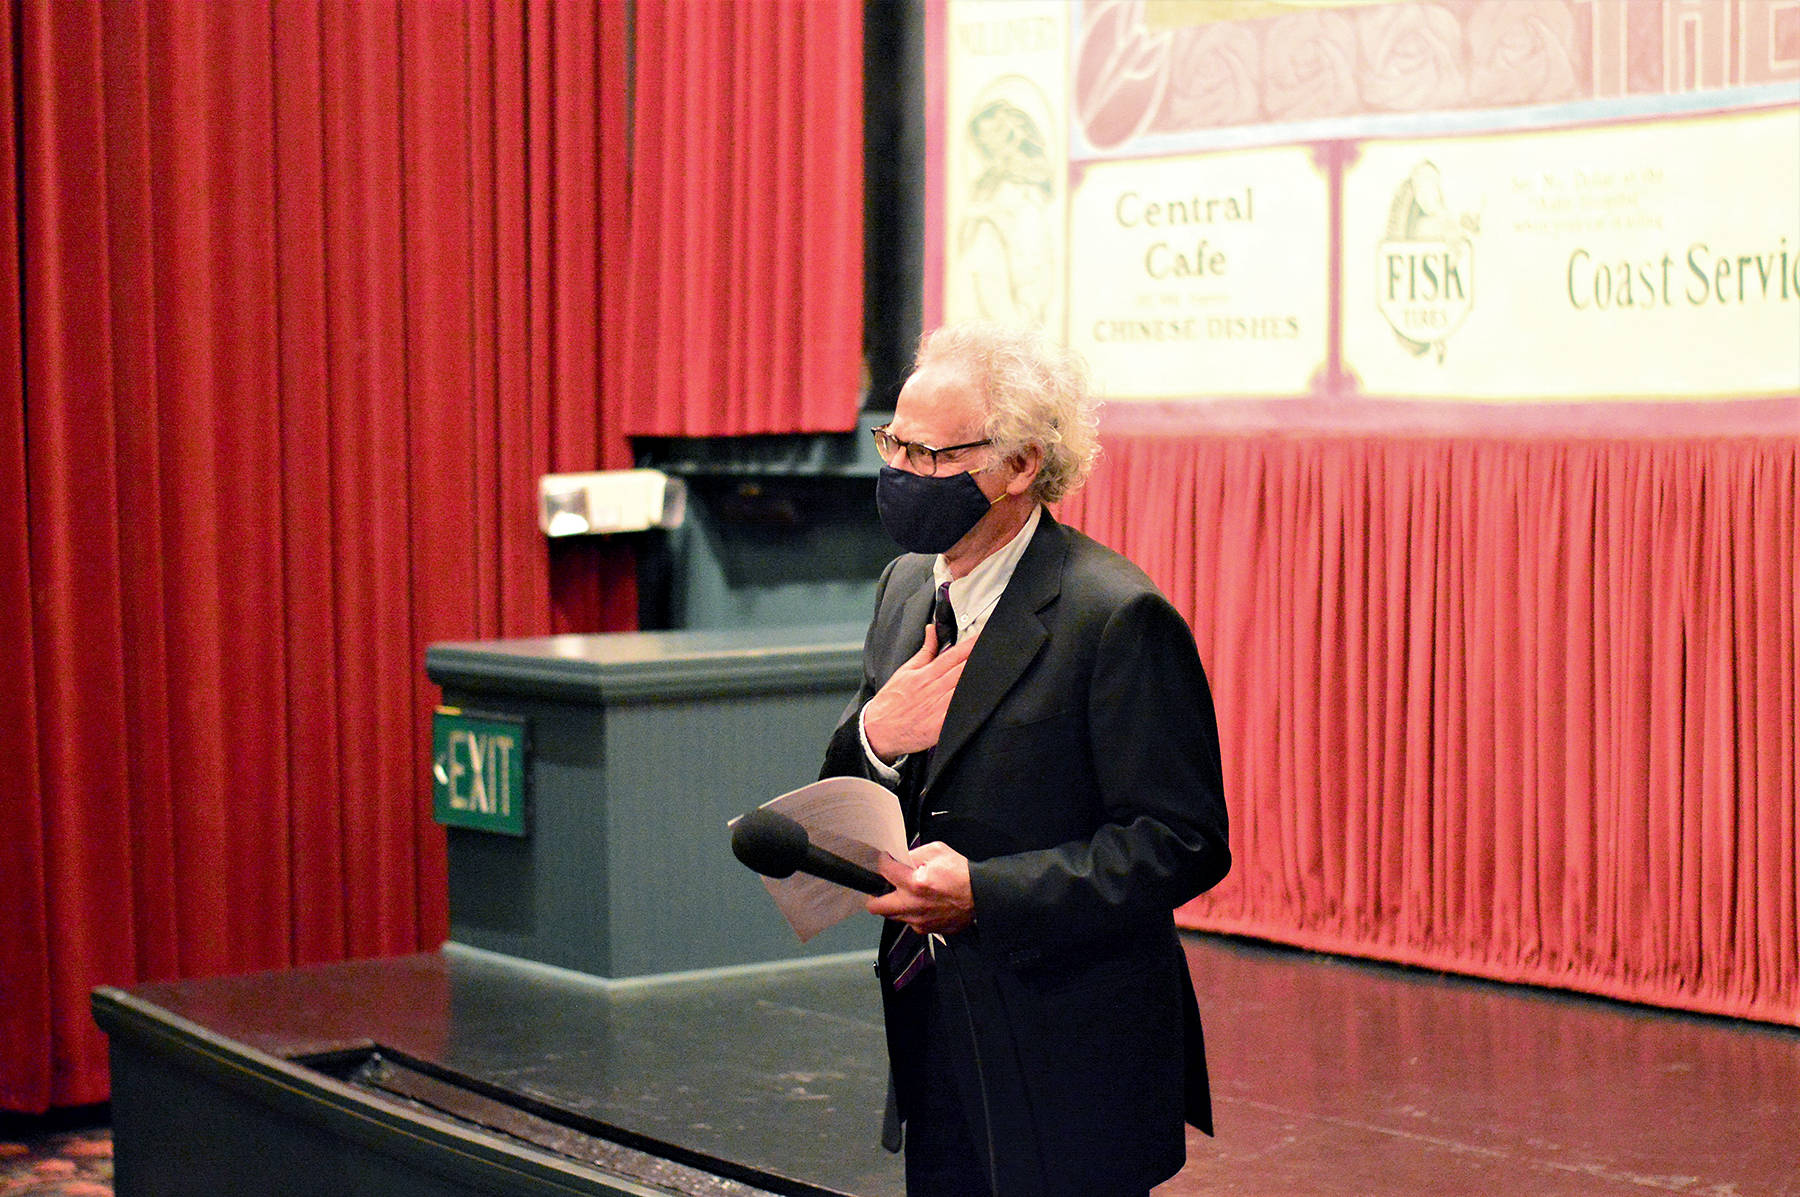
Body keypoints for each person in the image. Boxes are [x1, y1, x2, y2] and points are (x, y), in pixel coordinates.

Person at [820, 321, 1231, 1196]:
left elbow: (1182, 839)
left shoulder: (1115, 616)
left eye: (932, 456)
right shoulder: (904, 587)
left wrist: (987, 895)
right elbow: (854, 778)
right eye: (893, 442)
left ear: (1020, 465)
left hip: (1072, 1055)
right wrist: (873, 739)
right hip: (935, 1034)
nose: (900, 472)